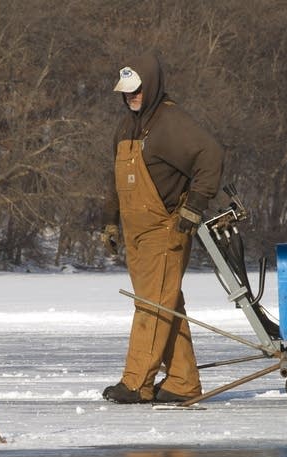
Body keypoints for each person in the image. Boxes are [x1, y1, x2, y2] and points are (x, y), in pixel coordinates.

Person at [100, 53, 224, 404]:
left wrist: (193, 207)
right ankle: (182, 381)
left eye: (137, 90)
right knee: (166, 305)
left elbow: (211, 155)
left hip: (164, 228)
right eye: (126, 92)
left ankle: (137, 382)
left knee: (152, 306)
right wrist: (110, 220)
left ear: (151, 85)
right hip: (135, 231)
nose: (131, 97)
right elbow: (116, 180)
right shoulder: (126, 126)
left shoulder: (170, 122)